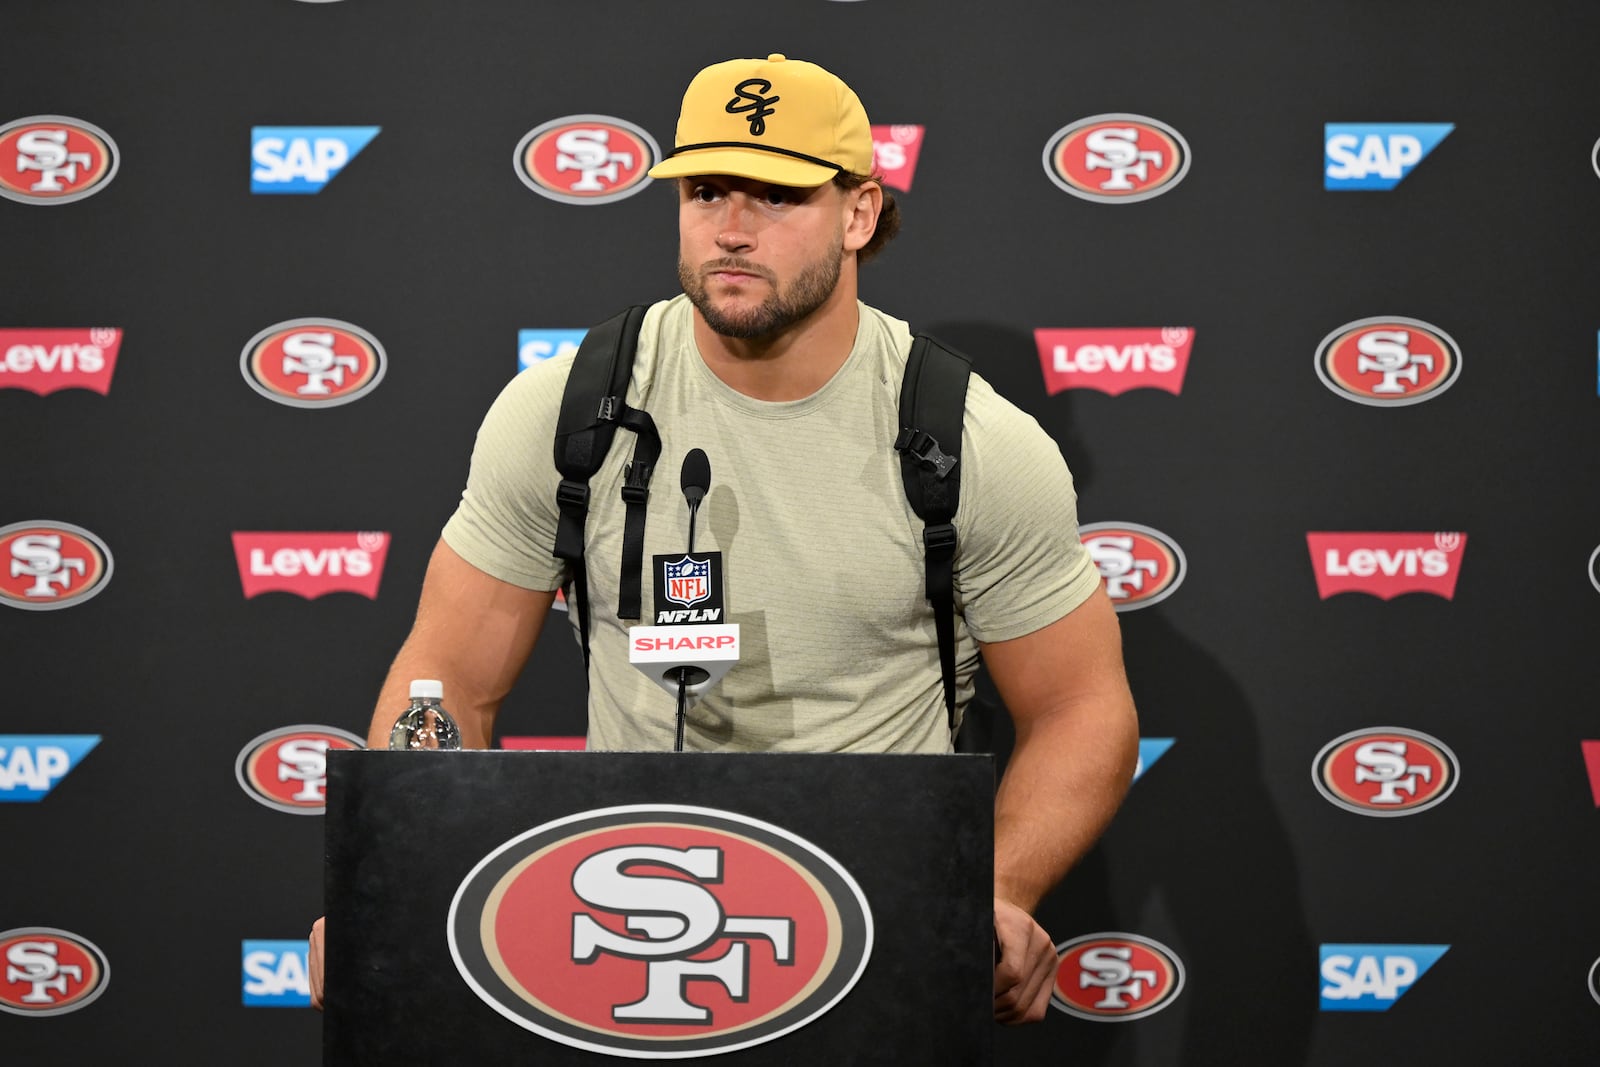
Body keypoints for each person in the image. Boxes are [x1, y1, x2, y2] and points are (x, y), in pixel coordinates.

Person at [310, 52, 1138, 1025]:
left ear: (860, 213)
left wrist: (992, 891)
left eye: (778, 195)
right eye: (705, 191)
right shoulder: (570, 408)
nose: (732, 229)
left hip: (876, 938)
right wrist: (395, 873)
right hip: (624, 929)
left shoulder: (969, 439)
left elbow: (1082, 707)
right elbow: (447, 673)